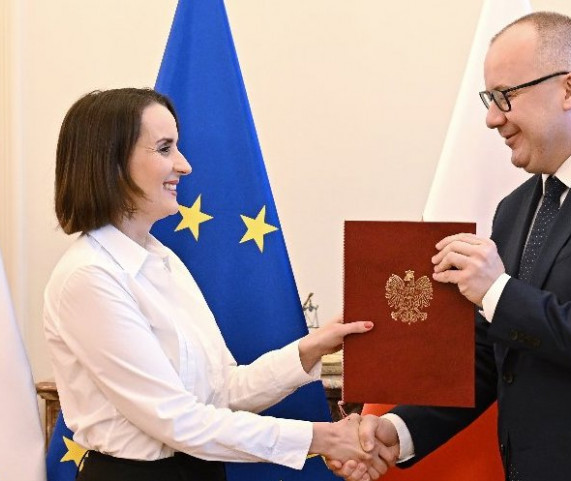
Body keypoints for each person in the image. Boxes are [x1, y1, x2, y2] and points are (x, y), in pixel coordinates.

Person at [331, 11, 571, 481]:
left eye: (505, 96)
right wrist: (399, 430)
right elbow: (497, 358)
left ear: (570, 89)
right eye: (489, 100)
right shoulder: (516, 208)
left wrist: (496, 291)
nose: (492, 118)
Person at [44, 88, 382, 481]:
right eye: (165, 148)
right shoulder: (89, 277)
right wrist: (324, 438)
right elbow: (177, 420)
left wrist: (313, 347)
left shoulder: (164, 261)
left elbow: (221, 392)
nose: (184, 165)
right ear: (113, 163)